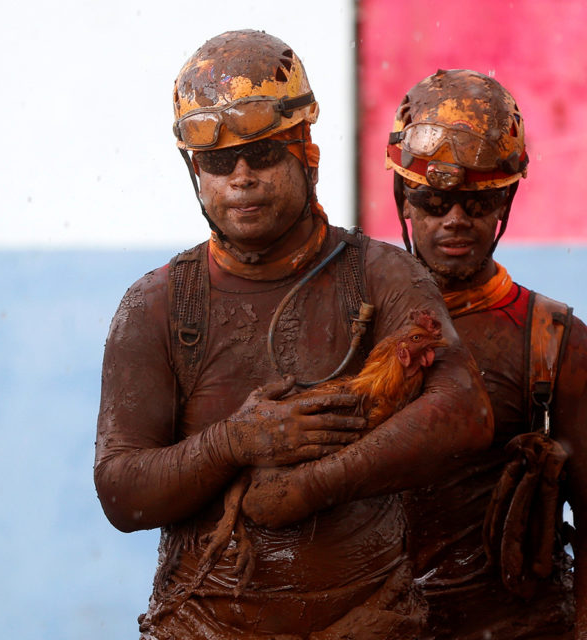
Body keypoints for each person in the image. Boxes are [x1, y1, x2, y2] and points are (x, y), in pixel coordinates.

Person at [94, 30, 492, 640]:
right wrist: (235, 442)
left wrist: (313, 485)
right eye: (220, 163)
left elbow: (464, 412)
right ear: (193, 169)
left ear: (307, 152)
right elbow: (122, 493)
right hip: (203, 625)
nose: (242, 179)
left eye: (263, 155)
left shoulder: (381, 274)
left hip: (368, 622)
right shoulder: (157, 304)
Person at [388, 68, 587, 639]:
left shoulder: (554, 341)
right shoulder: (354, 322)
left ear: (505, 203)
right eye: (434, 200)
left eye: (478, 203)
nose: (455, 219)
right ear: (404, 198)